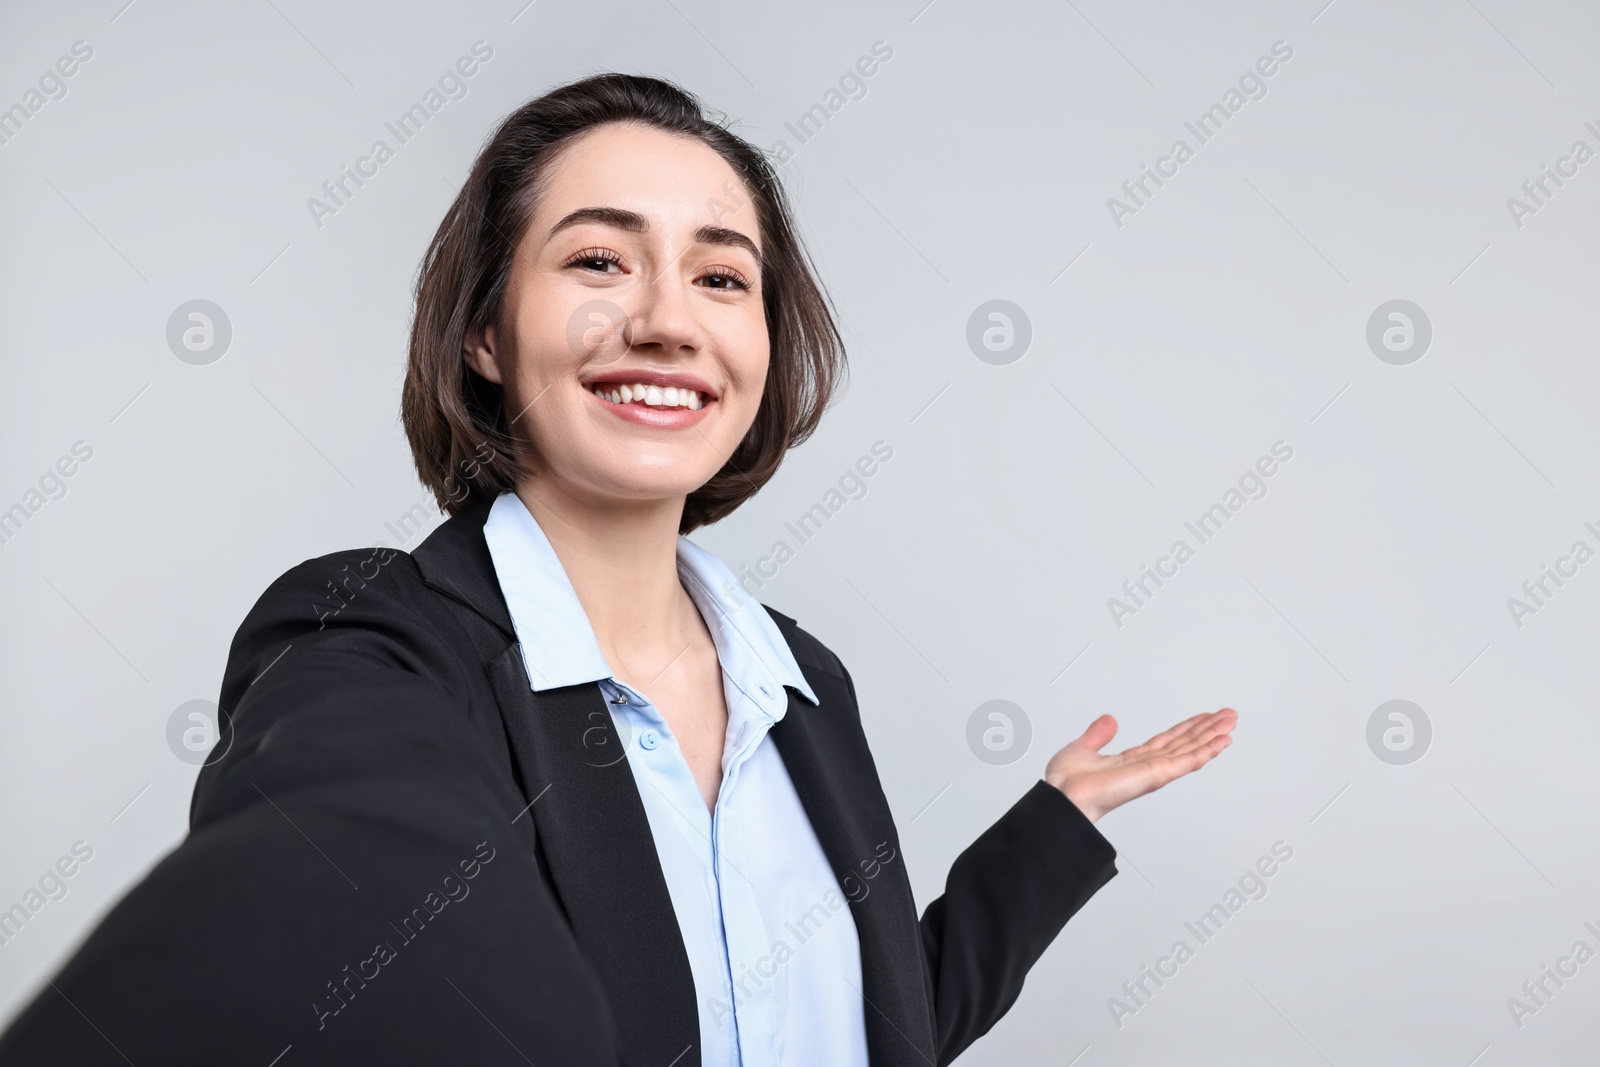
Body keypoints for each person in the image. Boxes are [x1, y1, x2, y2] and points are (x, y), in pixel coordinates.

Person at [2, 73, 1236, 1067]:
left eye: (720, 275)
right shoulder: (373, 639)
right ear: (484, 331)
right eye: (598, 261)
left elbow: (869, 1019)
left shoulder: (799, 678)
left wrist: (1055, 825)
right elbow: (346, 878)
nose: (666, 319)